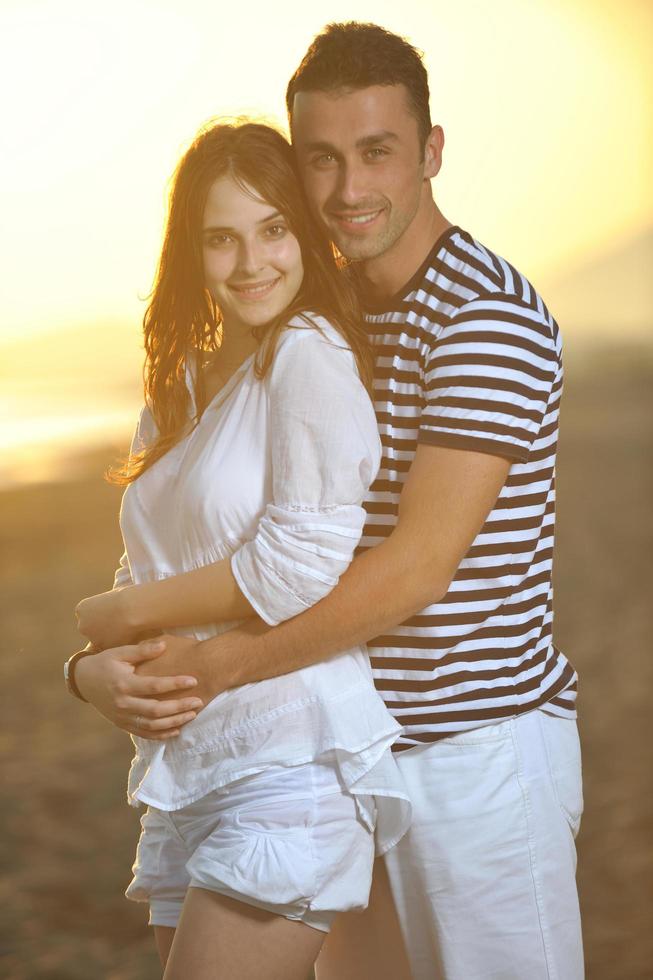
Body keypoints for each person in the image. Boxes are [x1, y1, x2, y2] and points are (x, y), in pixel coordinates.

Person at [68, 21, 584, 980]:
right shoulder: (325, 305)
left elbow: (412, 571)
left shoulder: (484, 317)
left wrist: (214, 665)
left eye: (377, 152)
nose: (349, 190)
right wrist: (94, 666)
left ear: (430, 150)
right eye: (323, 160)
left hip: (472, 749)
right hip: (355, 742)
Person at [68, 120, 412, 980]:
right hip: (186, 772)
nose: (252, 262)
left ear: (305, 233)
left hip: (287, 762)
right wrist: (90, 669)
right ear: (192, 250)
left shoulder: (307, 358)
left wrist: (119, 614)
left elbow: (298, 566)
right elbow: (148, 560)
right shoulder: (180, 377)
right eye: (222, 238)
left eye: (273, 229)